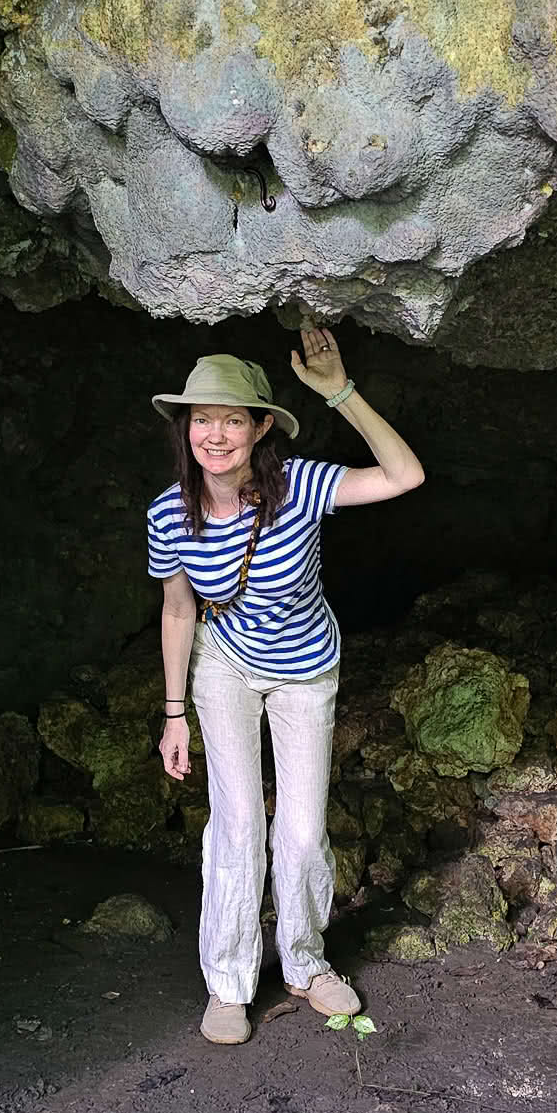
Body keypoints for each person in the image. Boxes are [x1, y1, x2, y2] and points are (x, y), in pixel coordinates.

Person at [146, 326, 425, 1046]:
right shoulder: (167, 513)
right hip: (224, 667)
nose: (215, 434)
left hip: (306, 668)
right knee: (238, 826)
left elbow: (404, 478)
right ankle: (228, 986)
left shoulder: (299, 486)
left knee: (299, 835)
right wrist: (174, 714)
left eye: (232, 418)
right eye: (202, 418)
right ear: (185, 427)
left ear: (260, 426)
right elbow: (179, 610)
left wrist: (341, 393)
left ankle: (305, 963)